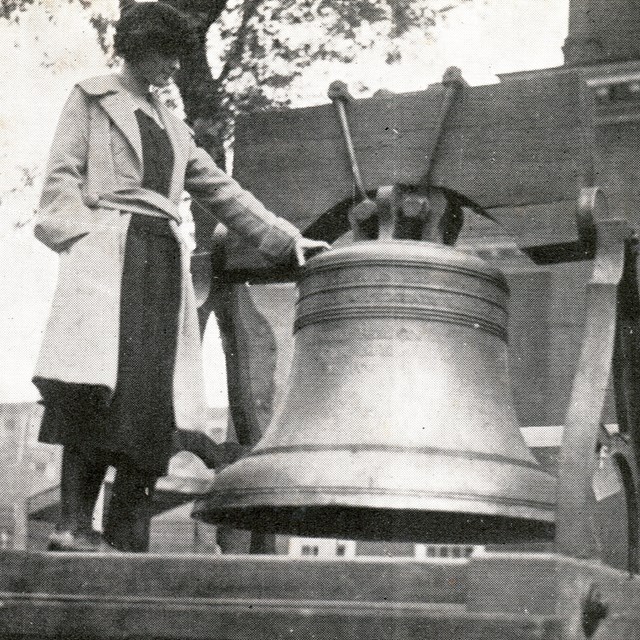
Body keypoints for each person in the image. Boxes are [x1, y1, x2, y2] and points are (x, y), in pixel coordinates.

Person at [32, 1, 329, 553]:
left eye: (177, 56)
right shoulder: (91, 99)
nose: (173, 66)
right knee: (95, 389)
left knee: (151, 403)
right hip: (108, 259)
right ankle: (73, 526)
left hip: (162, 264)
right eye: (164, 54)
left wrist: (287, 238)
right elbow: (61, 178)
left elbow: (222, 191)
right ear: (137, 49)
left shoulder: (174, 126)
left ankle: (126, 541)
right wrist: (85, 240)